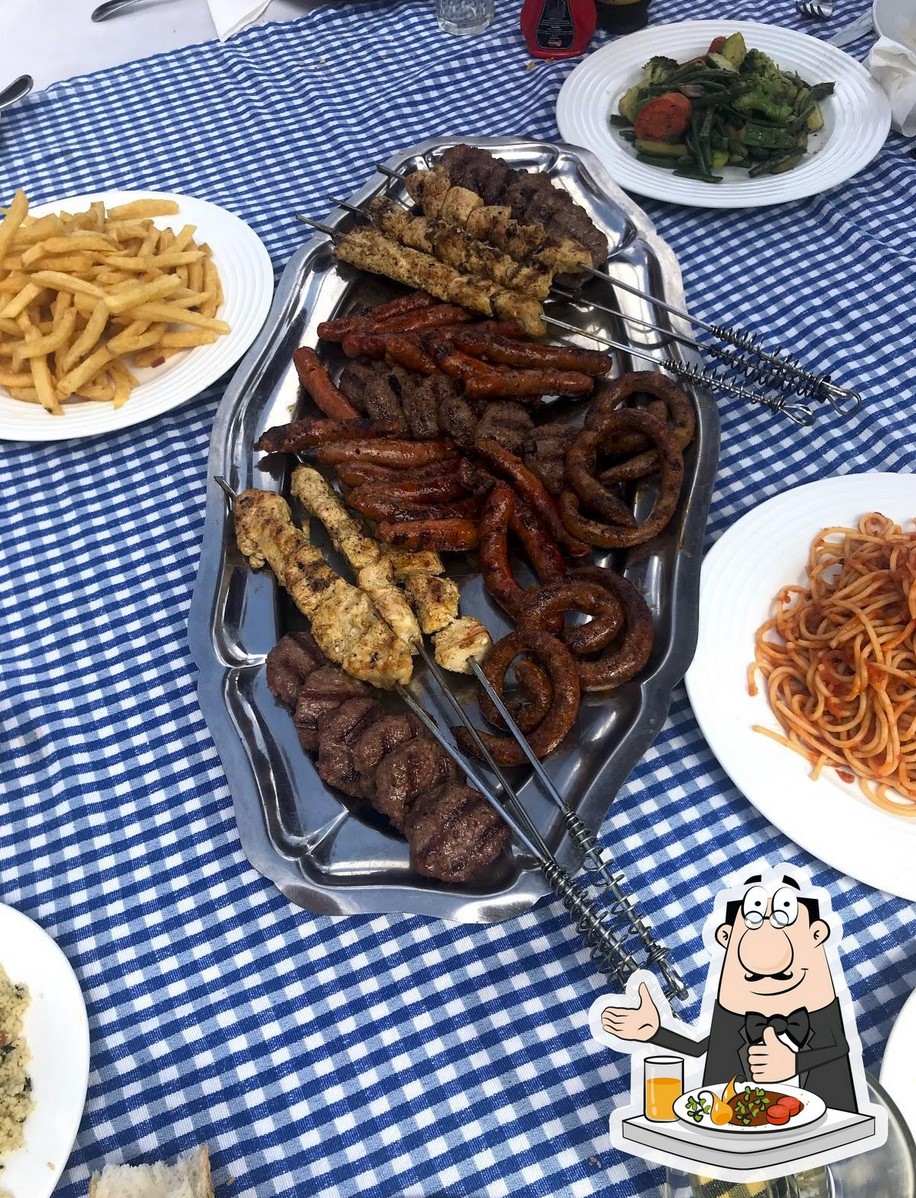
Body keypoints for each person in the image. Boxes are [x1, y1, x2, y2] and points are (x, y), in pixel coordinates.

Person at [600, 875, 858, 1112]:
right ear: (726, 937)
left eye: (783, 921)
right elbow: (700, 1048)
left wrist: (795, 1063)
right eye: (753, 922)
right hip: (733, 1127)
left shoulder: (820, 1015)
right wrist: (655, 1032)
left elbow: (839, 1048)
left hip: (826, 1127)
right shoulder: (735, 1017)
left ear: (817, 935)